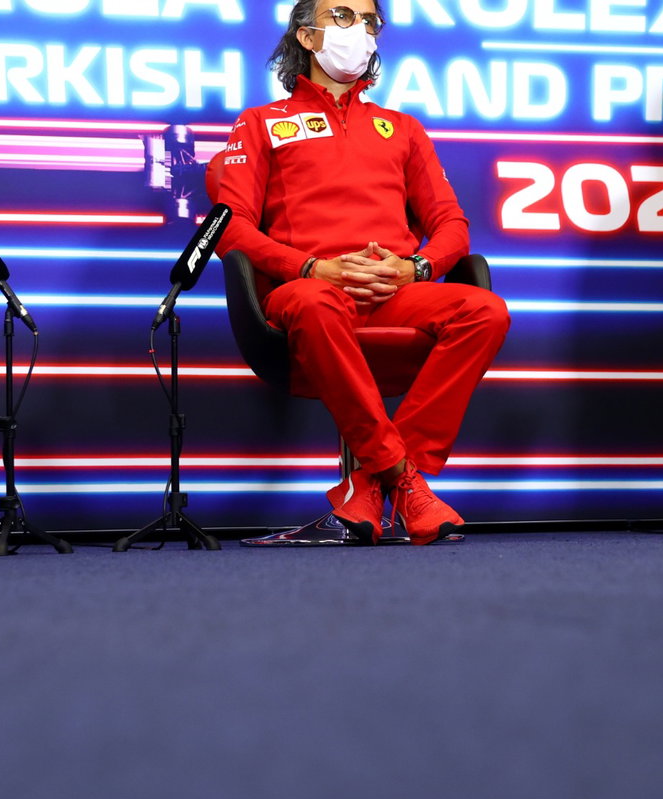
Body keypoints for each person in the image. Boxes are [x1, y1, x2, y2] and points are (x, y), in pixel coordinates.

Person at [212, 0, 510, 545]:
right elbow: (229, 228)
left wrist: (415, 268)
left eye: (370, 21)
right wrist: (310, 266)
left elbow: (451, 225)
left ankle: (374, 483)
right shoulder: (260, 123)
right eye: (343, 16)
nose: (361, 30)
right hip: (307, 293)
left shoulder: (402, 128)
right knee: (313, 302)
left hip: (393, 293)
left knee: (484, 310)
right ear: (306, 36)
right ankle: (407, 483)